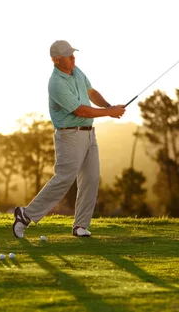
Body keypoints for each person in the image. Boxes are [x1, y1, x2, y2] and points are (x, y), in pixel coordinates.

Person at [12, 40, 126, 238]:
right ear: (56, 60)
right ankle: (26, 215)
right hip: (69, 135)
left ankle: (80, 225)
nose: (73, 57)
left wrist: (109, 106)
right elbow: (80, 110)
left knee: (90, 178)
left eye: (73, 54)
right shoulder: (55, 83)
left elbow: (91, 92)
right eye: (68, 55)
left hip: (89, 133)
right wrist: (109, 113)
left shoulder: (77, 71)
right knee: (64, 179)